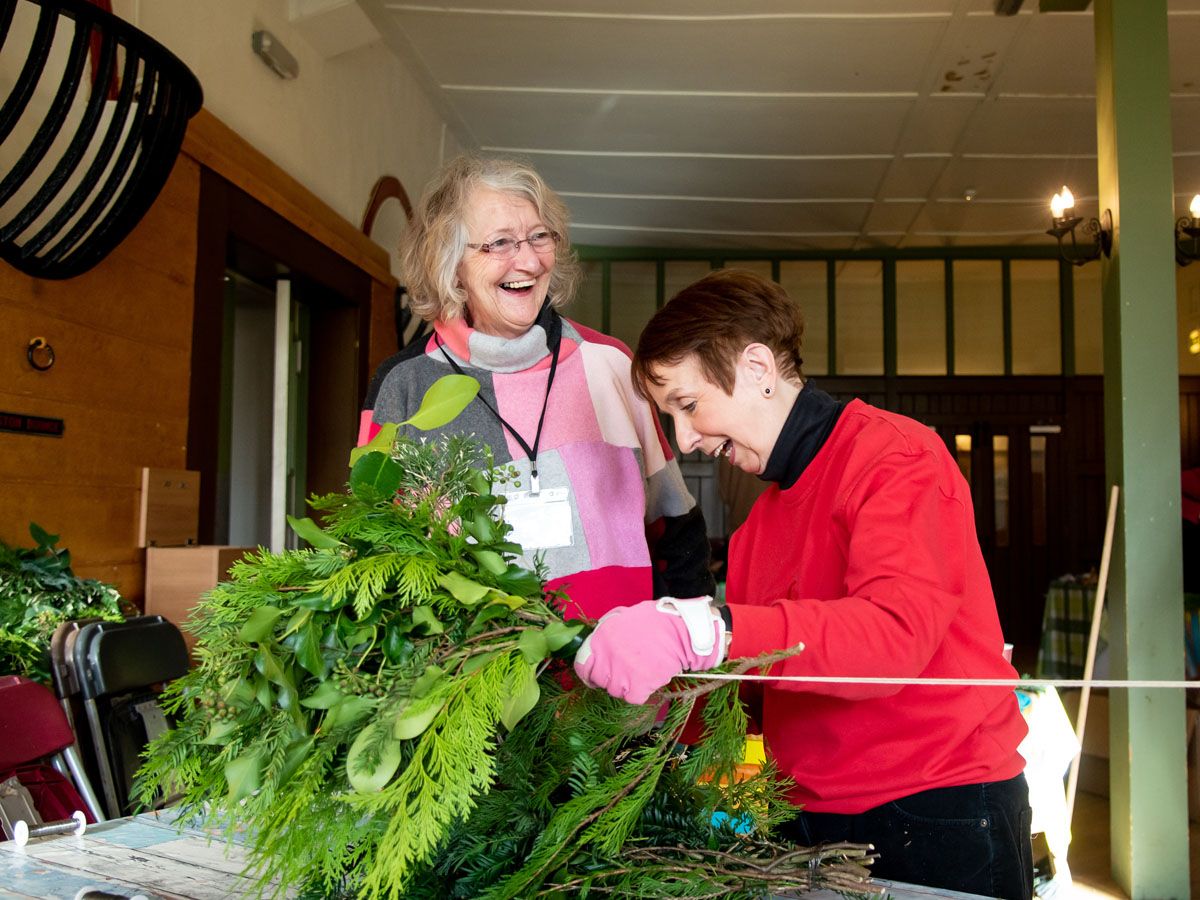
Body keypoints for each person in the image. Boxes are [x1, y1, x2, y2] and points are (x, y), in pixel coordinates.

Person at [574, 269, 1033, 898]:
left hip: (937, 807)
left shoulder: (897, 457)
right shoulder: (759, 524)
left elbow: (892, 638)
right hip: (811, 817)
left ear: (756, 366)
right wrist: (644, 713)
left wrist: (709, 629)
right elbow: (762, 688)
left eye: (688, 405)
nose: (685, 440)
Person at [358, 155, 713, 620]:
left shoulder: (610, 363)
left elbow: (675, 527)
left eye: (539, 236)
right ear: (451, 262)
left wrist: (692, 657)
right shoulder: (405, 383)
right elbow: (373, 550)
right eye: (500, 242)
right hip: (474, 678)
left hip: (619, 673)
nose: (527, 260)